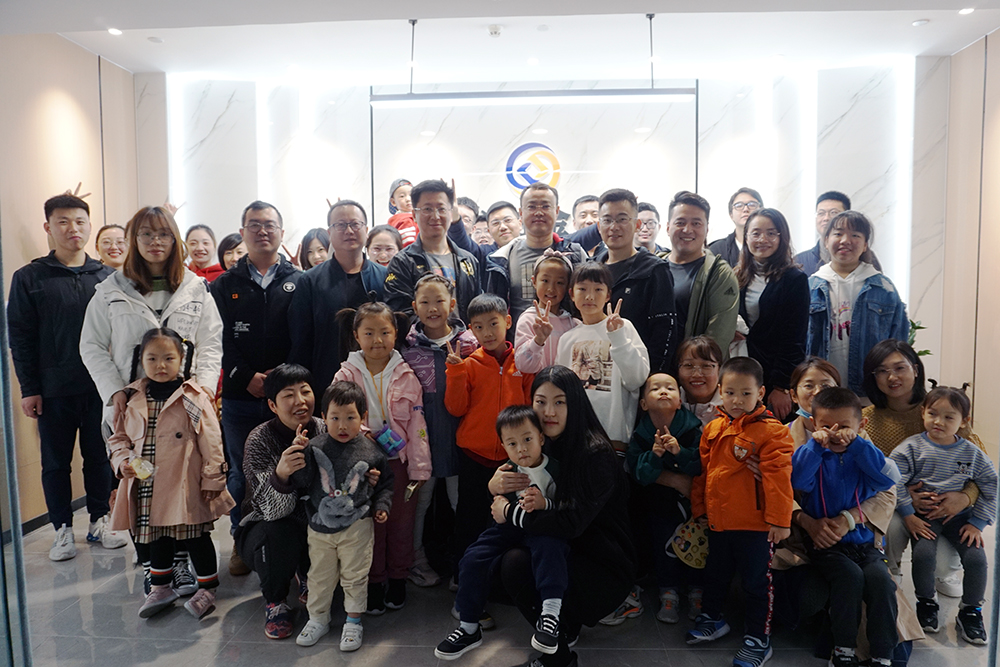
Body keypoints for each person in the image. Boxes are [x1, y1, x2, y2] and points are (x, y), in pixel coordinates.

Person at [80, 205, 223, 594]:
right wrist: (114, 391)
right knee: (140, 484)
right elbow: (91, 346)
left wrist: (203, 391)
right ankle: (151, 566)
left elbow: (211, 345)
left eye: (162, 234)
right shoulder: (111, 290)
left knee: (180, 485)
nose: (154, 242)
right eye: (145, 234)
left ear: (174, 241)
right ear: (133, 240)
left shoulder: (194, 288)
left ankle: (180, 564)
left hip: (183, 409)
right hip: (134, 408)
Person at [486, 365, 636, 667]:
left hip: (603, 565)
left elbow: (571, 523)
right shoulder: (542, 443)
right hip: (567, 550)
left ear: (575, 403)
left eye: (559, 402)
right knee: (493, 559)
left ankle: (559, 659)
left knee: (515, 564)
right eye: (540, 402)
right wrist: (495, 486)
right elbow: (509, 495)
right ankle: (564, 627)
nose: (549, 412)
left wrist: (509, 512)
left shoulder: (595, 453)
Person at [8, 193, 125, 561]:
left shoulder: (108, 277)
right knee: (56, 463)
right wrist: (29, 389)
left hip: (101, 388)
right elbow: (20, 338)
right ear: (48, 227)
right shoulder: (29, 278)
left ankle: (99, 520)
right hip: (52, 389)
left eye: (79, 221)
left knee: (99, 458)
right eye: (63, 221)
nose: (72, 228)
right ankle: (61, 529)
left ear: (89, 226)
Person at [107, 328, 234, 619]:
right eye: (152, 358)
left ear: (181, 359)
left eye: (168, 358)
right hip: (147, 482)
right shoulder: (132, 397)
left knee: (195, 535)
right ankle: (161, 587)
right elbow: (118, 437)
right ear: (141, 359)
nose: (160, 365)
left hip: (185, 481)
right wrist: (122, 461)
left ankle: (207, 589)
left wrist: (213, 478)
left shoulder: (194, 396)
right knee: (157, 536)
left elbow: (212, 440)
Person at [210, 200, 301, 572]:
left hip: (288, 397)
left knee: (291, 468)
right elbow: (218, 340)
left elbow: (303, 336)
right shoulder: (223, 285)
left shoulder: (299, 281)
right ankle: (242, 540)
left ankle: (289, 545)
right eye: (254, 225)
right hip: (240, 397)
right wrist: (245, 377)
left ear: (281, 232)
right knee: (241, 472)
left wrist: (281, 381)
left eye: (270, 224)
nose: (263, 231)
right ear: (242, 231)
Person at [436, 405, 568, 659]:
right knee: (472, 557)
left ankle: (550, 617)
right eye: (512, 444)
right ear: (504, 446)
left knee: (552, 549)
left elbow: (566, 507)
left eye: (527, 439)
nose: (521, 449)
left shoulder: (555, 469)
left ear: (541, 438)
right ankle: (468, 626)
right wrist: (495, 492)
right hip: (508, 528)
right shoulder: (506, 470)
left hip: (542, 529)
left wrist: (545, 503)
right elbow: (497, 502)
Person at [688, 356, 793, 667]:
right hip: (719, 522)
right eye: (730, 392)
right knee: (715, 574)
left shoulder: (772, 432)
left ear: (760, 393)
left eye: (746, 393)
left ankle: (758, 638)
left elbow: (778, 478)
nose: (737, 400)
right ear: (720, 391)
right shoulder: (713, 428)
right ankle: (712, 617)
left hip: (755, 526)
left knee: (757, 583)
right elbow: (704, 473)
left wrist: (780, 521)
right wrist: (700, 508)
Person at [863, 341, 986, 603]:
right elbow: (862, 472)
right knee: (891, 524)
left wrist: (965, 497)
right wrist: (902, 495)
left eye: (900, 368)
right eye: (882, 371)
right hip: (895, 505)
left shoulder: (941, 409)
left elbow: (981, 466)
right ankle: (890, 570)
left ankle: (945, 575)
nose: (892, 377)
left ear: (916, 370)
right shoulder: (866, 420)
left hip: (947, 508)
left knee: (941, 564)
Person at [281, 381, 394, 651]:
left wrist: (382, 506)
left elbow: (386, 484)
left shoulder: (372, 451)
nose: (342, 426)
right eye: (334, 418)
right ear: (323, 417)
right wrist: (300, 452)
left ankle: (353, 622)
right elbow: (302, 481)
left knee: (356, 575)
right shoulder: (315, 447)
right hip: (319, 528)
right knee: (319, 576)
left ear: (363, 417)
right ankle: (318, 619)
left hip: (358, 526)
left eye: (350, 418)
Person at [791, 387, 901, 667]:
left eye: (844, 426)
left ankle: (883, 655)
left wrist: (859, 445)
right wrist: (815, 446)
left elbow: (887, 479)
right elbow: (798, 481)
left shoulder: (864, 455)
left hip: (865, 543)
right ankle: (843, 649)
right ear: (813, 424)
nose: (835, 433)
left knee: (882, 582)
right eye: (826, 426)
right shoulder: (812, 454)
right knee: (849, 577)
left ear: (861, 425)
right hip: (827, 545)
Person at [333, 302, 432, 615]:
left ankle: (398, 578)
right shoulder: (345, 374)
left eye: (385, 332)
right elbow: (338, 418)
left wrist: (419, 468)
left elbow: (418, 425)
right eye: (369, 333)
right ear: (356, 336)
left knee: (401, 524)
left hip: (399, 464)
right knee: (370, 527)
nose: (377, 340)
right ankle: (374, 582)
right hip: (362, 465)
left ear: (395, 333)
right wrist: (365, 435)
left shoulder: (406, 374)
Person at [891, 385, 996, 645]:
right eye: (933, 414)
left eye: (949, 417)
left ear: (964, 421)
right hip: (924, 516)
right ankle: (927, 603)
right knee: (923, 555)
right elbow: (894, 480)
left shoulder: (971, 452)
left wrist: (977, 523)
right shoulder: (911, 447)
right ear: (923, 413)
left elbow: (991, 484)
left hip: (960, 518)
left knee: (976, 559)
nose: (939, 422)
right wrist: (908, 514)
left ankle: (971, 611)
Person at [445, 294, 534, 596]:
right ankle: (462, 579)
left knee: (507, 521)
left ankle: (499, 583)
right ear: (471, 329)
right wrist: (455, 372)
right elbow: (456, 408)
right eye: (479, 327)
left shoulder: (523, 362)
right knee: (469, 519)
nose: (488, 332)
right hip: (475, 456)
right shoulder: (469, 364)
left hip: (513, 458)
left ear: (507, 321)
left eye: (493, 323)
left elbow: (531, 408)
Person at [402, 275, 479, 588]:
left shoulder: (471, 344)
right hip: (422, 444)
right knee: (419, 505)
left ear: (453, 304)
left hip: (461, 441)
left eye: (439, 301)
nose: (432, 308)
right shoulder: (407, 349)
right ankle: (415, 560)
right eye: (425, 302)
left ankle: (466, 566)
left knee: (462, 503)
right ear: (414, 306)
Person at [236, 364, 322, 639]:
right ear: (273, 405)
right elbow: (272, 511)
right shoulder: (259, 440)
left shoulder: (324, 428)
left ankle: (307, 573)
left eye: (305, 391)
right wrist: (281, 475)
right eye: (288, 395)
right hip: (265, 527)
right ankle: (275, 601)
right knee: (278, 530)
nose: (300, 401)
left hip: (313, 523)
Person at [625, 373, 703, 624]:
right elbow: (639, 474)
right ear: (643, 403)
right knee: (663, 544)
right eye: (655, 388)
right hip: (659, 504)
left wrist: (680, 451)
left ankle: (697, 591)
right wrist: (655, 455)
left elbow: (700, 465)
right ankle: (668, 592)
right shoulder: (641, 434)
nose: (663, 391)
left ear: (680, 401)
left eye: (670, 388)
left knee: (696, 544)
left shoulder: (692, 429)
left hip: (691, 504)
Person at [288, 199, 388, 393]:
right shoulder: (310, 280)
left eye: (355, 224)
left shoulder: (384, 277)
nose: (349, 231)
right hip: (326, 384)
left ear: (366, 230)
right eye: (340, 225)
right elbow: (300, 340)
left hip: (379, 383)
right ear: (329, 233)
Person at [806, 211, 908, 396]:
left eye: (855, 235)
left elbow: (898, 343)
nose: (845, 240)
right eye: (838, 234)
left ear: (865, 244)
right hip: (820, 390)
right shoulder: (811, 286)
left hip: (868, 390)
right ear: (826, 241)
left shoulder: (884, 288)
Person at [556, 262, 649, 451]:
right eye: (582, 289)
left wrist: (618, 337)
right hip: (576, 437)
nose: (590, 296)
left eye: (598, 289)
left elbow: (636, 380)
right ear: (571, 293)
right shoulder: (566, 339)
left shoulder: (623, 327)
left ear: (608, 295)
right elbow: (562, 391)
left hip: (614, 437)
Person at [592, 188, 679, 373]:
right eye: (607, 220)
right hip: (595, 372)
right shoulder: (591, 269)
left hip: (637, 373)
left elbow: (664, 332)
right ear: (599, 226)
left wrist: (653, 376)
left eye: (622, 219)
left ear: (637, 224)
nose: (614, 227)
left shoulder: (654, 270)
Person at [735, 208, 808, 419]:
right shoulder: (736, 275)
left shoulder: (794, 280)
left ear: (781, 237)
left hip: (774, 376)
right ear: (746, 237)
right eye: (756, 233)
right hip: (742, 371)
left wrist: (781, 386)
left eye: (771, 233)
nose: (762, 239)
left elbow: (794, 339)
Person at [484, 183, 586, 327]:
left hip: (567, 338)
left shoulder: (575, 255)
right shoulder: (502, 259)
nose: (538, 212)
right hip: (519, 339)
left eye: (545, 206)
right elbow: (493, 311)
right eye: (531, 207)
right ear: (521, 212)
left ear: (557, 211)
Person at [384, 179, 481, 323]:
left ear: (451, 213)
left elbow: (477, 310)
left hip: (465, 337)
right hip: (420, 338)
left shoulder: (468, 260)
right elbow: (401, 315)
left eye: (441, 209)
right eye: (427, 209)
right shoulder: (402, 262)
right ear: (414, 215)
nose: (435, 216)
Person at [663, 191, 739, 356]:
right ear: (668, 227)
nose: (687, 229)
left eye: (696, 223)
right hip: (651, 367)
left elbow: (718, 337)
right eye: (680, 222)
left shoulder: (719, 274)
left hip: (694, 366)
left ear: (706, 229)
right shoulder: (654, 266)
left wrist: (692, 367)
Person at [514, 252, 578, 374]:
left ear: (568, 287)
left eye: (559, 283)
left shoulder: (573, 324)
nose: (551, 289)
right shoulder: (528, 319)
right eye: (545, 280)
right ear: (534, 281)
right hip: (540, 385)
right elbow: (523, 366)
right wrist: (538, 340)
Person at [796, 192, 883, 276]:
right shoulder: (800, 260)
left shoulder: (867, 257)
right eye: (821, 213)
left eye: (833, 212)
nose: (826, 218)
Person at [787, 357, 842, 446]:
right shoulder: (780, 434)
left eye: (826, 386)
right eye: (809, 386)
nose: (817, 392)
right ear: (794, 395)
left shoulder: (856, 433)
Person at [675, 335, 725, 426]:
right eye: (688, 365)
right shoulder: (669, 401)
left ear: (720, 370)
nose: (697, 374)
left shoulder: (733, 407)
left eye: (706, 366)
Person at [708, 187, 763, 268]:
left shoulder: (769, 245)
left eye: (752, 204)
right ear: (731, 215)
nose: (745, 209)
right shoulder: (717, 249)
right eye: (739, 205)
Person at [387, 178, 417, 247]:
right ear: (393, 202)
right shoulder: (404, 220)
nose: (408, 199)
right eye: (402, 196)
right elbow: (409, 245)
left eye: (411, 195)